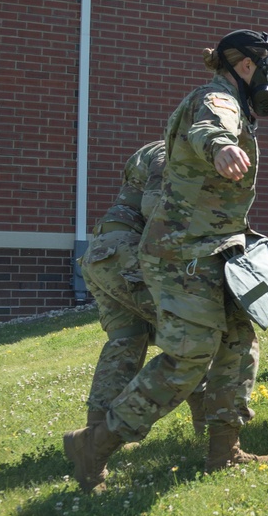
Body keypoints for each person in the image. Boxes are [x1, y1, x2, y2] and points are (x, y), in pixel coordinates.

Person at [64, 29, 268, 493]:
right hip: (181, 253)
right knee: (189, 355)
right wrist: (222, 147)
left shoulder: (231, 102)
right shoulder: (217, 98)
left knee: (238, 340)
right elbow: (211, 127)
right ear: (246, 64)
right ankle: (95, 444)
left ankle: (223, 451)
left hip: (215, 247)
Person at [79, 141, 258, 437]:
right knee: (199, 332)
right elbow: (157, 206)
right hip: (129, 254)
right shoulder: (172, 151)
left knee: (126, 341)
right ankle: (214, 435)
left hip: (104, 255)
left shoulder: (153, 150)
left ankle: (92, 436)